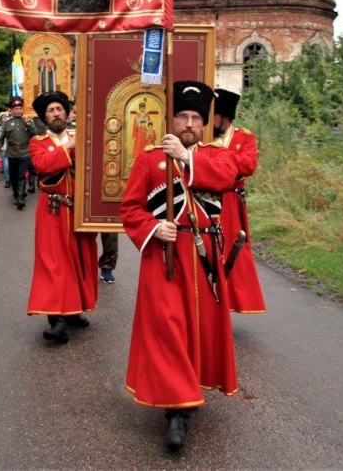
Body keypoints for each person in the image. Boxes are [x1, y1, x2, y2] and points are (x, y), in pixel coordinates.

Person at [119, 80, 239, 452]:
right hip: (165, 257)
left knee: (199, 329)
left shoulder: (216, 155)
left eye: (195, 118)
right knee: (168, 329)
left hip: (203, 257)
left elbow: (227, 177)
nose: (188, 124)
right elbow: (131, 209)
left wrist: (187, 159)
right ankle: (176, 411)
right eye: (182, 117)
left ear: (204, 124)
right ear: (170, 120)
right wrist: (155, 226)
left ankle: (190, 387)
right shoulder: (149, 159)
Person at [27, 91, 99, 343]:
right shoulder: (38, 142)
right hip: (52, 211)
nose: (56, 113)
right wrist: (69, 147)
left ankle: (73, 310)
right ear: (44, 117)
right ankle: (56, 320)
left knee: (80, 261)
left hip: (79, 211)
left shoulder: (84, 138)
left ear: (67, 112)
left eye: (59, 109)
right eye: (50, 110)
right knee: (54, 264)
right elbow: (43, 165)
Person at [212, 89, 266, 314]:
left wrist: (220, 155)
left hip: (231, 203)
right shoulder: (204, 136)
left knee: (233, 250)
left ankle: (231, 301)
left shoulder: (245, 137)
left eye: (212, 115)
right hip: (205, 199)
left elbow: (248, 166)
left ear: (223, 117)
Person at [0, 96, 40, 209]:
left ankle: (20, 198)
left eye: (20, 108)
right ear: (11, 110)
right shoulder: (6, 123)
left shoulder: (27, 121)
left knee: (21, 175)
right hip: (12, 153)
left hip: (25, 152)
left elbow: (35, 134)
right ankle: (16, 193)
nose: (18, 110)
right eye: (16, 109)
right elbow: (0, 138)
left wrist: (29, 124)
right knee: (13, 176)